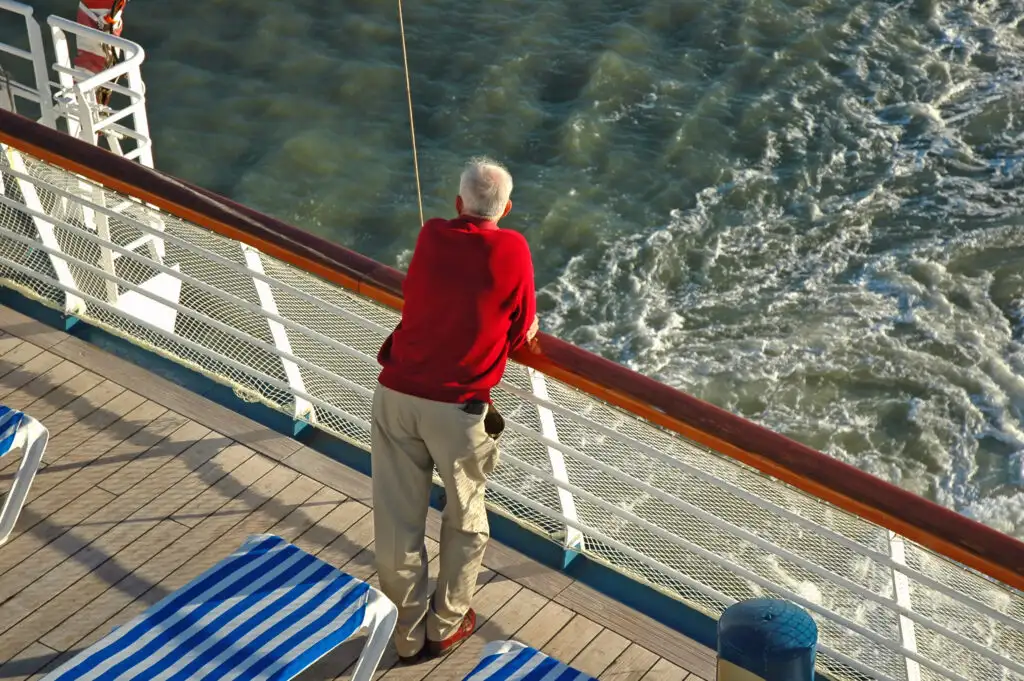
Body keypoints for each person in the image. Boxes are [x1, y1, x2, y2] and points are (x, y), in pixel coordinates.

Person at [371, 156, 538, 663]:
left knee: (397, 522)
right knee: (465, 518)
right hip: (458, 409)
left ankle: (405, 632)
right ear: (506, 208)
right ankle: (446, 624)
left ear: (458, 202)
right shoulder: (513, 248)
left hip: (397, 394)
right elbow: (522, 326)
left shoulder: (430, 236)